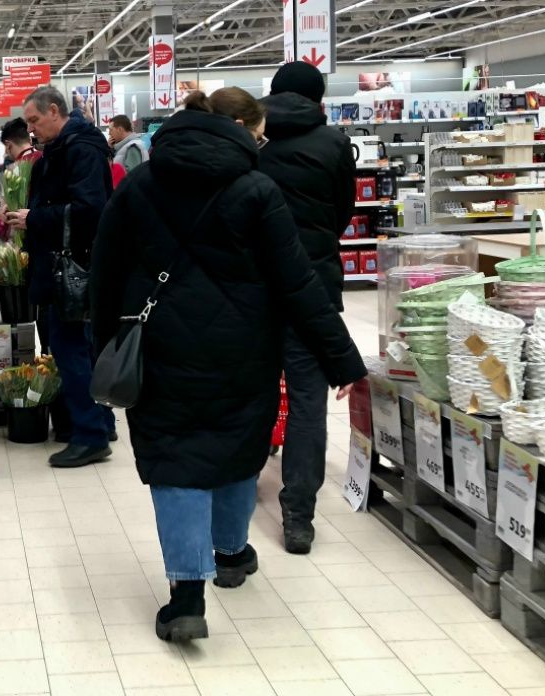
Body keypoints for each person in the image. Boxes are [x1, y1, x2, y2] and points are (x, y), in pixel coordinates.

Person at [89, 87, 367, 643]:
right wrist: (344, 362)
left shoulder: (140, 184)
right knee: (239, 449)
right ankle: (233, 555)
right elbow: (297, 282)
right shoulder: (256, 188)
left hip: (161, 350)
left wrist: (108, 344)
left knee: (175, 461)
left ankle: (187, 594)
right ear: (242, 131)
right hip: (245, 350)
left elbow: (105, 273)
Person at [259, 61, 359, 555]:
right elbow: (342, 211)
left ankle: (237, 488)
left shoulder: (251, 142)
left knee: (249, 389)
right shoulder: (335, 143)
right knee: (306, 402)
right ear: (319, 98)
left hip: (255, 288)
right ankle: (297, 515)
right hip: (313, 284)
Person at [5, 86, 114, 469]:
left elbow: (90, 209)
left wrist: (34, 218)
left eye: (34, 121)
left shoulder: (79, 149)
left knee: (70, 350)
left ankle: (90, 435)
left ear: (54, 111)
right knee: (81, 348)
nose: (31, 130)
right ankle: (100, 423)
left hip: (70, 267)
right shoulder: (67, 147)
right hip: (65, 264)